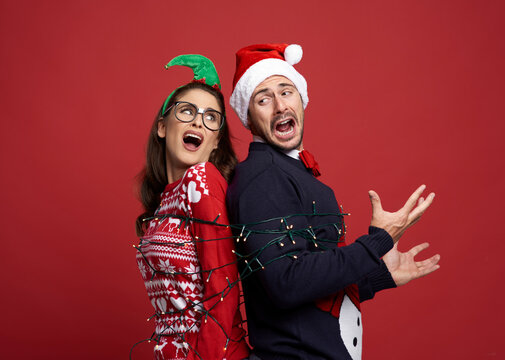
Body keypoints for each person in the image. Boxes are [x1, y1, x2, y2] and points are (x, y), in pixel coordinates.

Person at [226, 44, 440, 360]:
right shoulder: (263, 178)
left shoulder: (291, 171)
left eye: (286, 92)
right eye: (263, 98)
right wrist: (374, 245)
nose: (279, 106)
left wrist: (377, 276)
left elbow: (312, 293)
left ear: (302, 99)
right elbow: (286, 282)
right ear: (248, 116)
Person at [135, 54, 249, 360]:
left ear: (215, 141)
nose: (199, 120)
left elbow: (222, 290)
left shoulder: (201, 181)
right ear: (162, 126)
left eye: (211, 117)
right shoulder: (163, 203)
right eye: (187, 111)